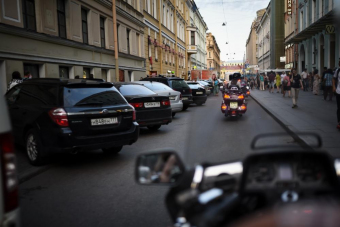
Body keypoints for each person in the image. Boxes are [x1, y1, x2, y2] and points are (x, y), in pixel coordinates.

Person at [333, 61, 340, 130]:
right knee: (339, 108)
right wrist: (334, 87)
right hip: (339, 91)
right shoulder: (337, 71)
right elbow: (334, 78)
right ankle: (339, 122)